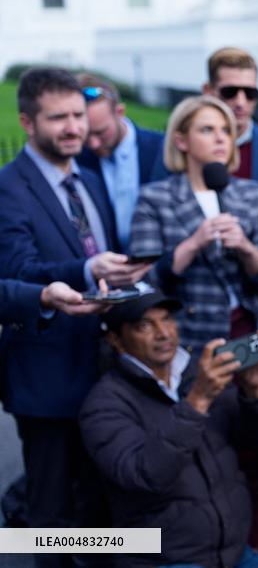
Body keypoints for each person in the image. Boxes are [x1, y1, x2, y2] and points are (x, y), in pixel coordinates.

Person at [0, 68, 151, 566]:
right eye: (57, 118)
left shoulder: (84, 175)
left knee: (99, 507)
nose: (73, 128)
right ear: (26, 122)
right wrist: (86, 267)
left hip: (103, 369)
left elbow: (96, 253)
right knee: (49, 518)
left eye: (78, 116)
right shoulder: (8, 187)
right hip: (45, 377)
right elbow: (17, 271)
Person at [129, 94, 258, 550]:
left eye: (225, 130)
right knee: (207, 444)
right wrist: (193, 242)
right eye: (207, 129)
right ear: (181, 140)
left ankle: (254, 544)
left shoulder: (249, 192)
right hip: (193, 340)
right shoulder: (156, 196)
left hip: (249, 330)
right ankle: (213, 546)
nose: (221, 138)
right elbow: (145, 283)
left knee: (257, 438)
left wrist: (245, 246)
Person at [78, 289, 258, 568]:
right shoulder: (103, 405)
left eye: (168, 319)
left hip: (232, 550)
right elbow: (146, 475)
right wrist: (197, 401)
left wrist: (254, 392)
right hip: (165, 558)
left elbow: (257, 439)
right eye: (145, 326)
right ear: (115, 340)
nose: (164, 333)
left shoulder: (196, 372)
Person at [76, 73, 168, 249]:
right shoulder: (78, 160)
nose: (93, 143)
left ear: (120, 112)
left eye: (101, 132)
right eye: (86, 135)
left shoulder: (161, 148)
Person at [202, 47, 258, 200]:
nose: (240, 102)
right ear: (208, 91)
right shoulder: (184, 147)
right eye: (230, 92)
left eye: (250, 93)